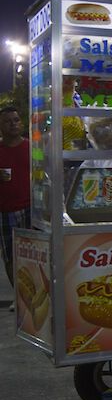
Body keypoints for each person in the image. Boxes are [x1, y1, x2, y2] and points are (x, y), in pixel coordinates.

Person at [0, 106, 30, 296]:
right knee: (11, 257)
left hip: (31, 209)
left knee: (33, 254)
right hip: (5, 211)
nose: (13, 124)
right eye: (8, 121)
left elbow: (43, 172)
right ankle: (19, 297)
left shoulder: (31, 147)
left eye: (16, 120)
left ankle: (35, 295)